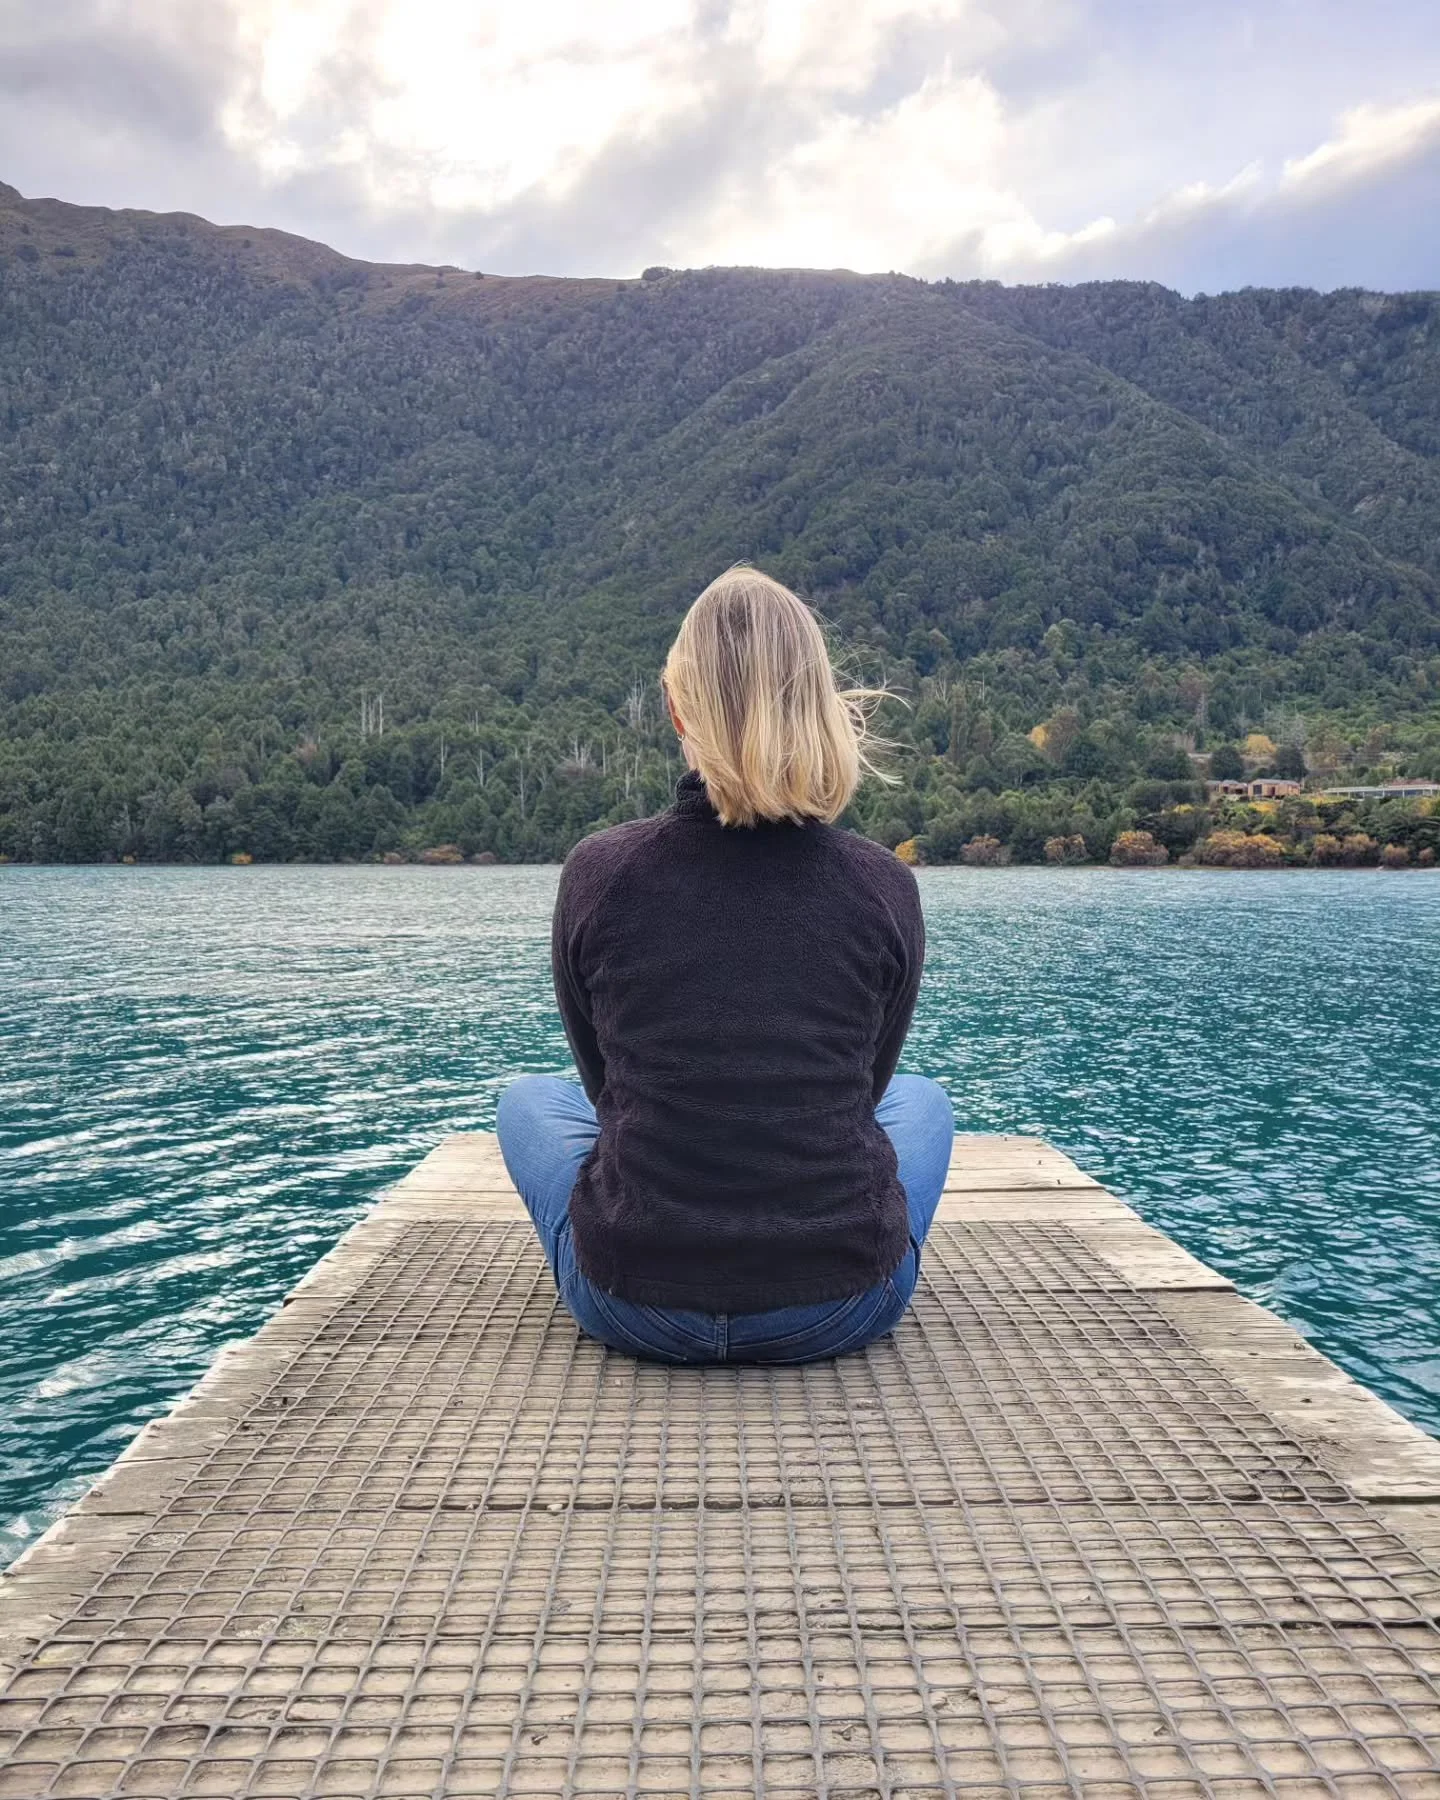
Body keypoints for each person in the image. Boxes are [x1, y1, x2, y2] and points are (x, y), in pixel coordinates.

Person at [497, 565, 953, 1364]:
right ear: (819, 703)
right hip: (841, 1302)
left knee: (528, 1099)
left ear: (677, 707)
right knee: (921, 1102)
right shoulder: (883, 884)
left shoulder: (601, 872)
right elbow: (868, 1088)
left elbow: (606, 1089)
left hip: (632, 1301)